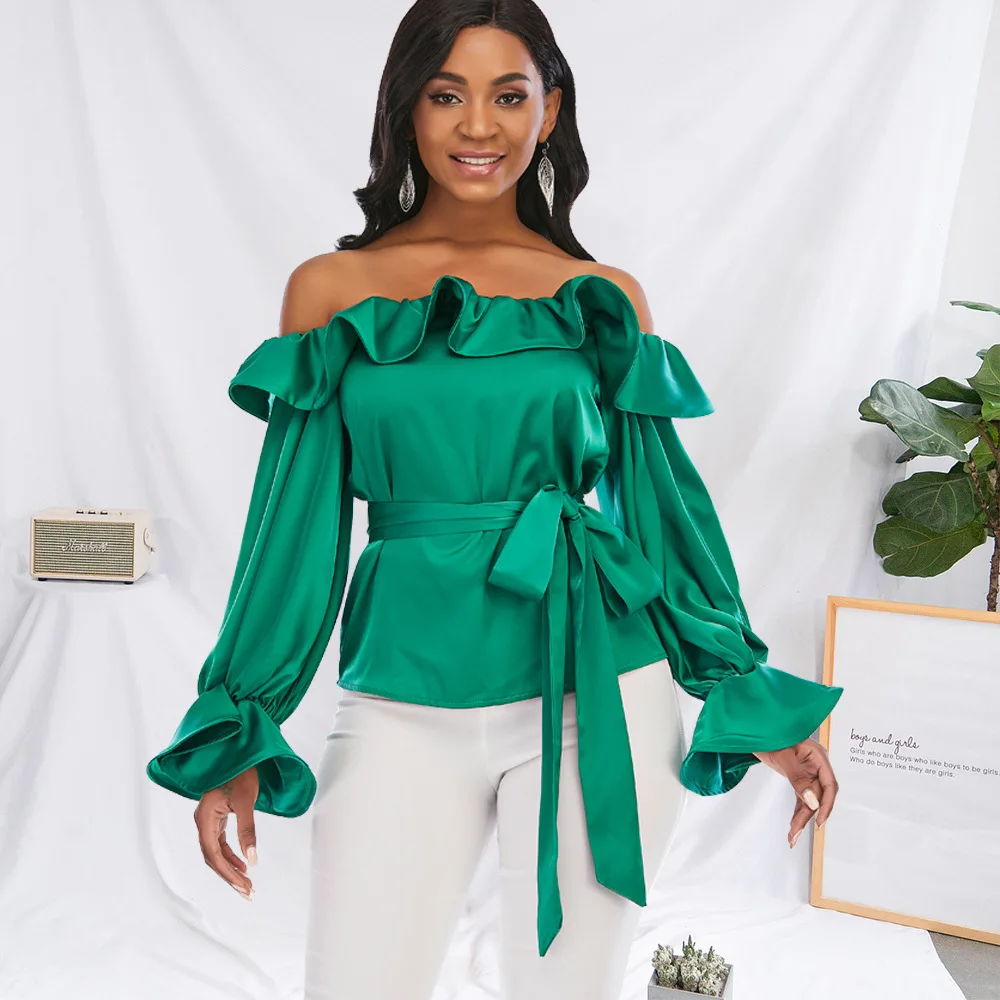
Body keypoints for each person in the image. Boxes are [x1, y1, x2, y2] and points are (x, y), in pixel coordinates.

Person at [146, 2, 843, 998]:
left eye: (508, 96)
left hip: (598, 689)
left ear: (549, 110)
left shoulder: (601, 296)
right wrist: (241, 719)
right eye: (446, 96)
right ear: (407, 109)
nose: (479, 126)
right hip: (400, 696)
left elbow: (663, 510)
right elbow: (290, 531)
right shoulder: (333, 292)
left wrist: (742, 689)